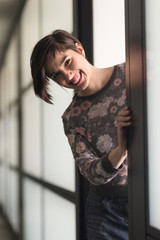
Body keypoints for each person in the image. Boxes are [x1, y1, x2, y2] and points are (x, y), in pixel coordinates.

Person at [30, 29, 131, 240]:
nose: (67, 75)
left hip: (152, 197)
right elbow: (91, 173)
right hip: (107, 210)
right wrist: (121, 150)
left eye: (67, 62)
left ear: (79, 49)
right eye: (55, 75)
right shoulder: (72, 117)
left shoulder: (132, 73)